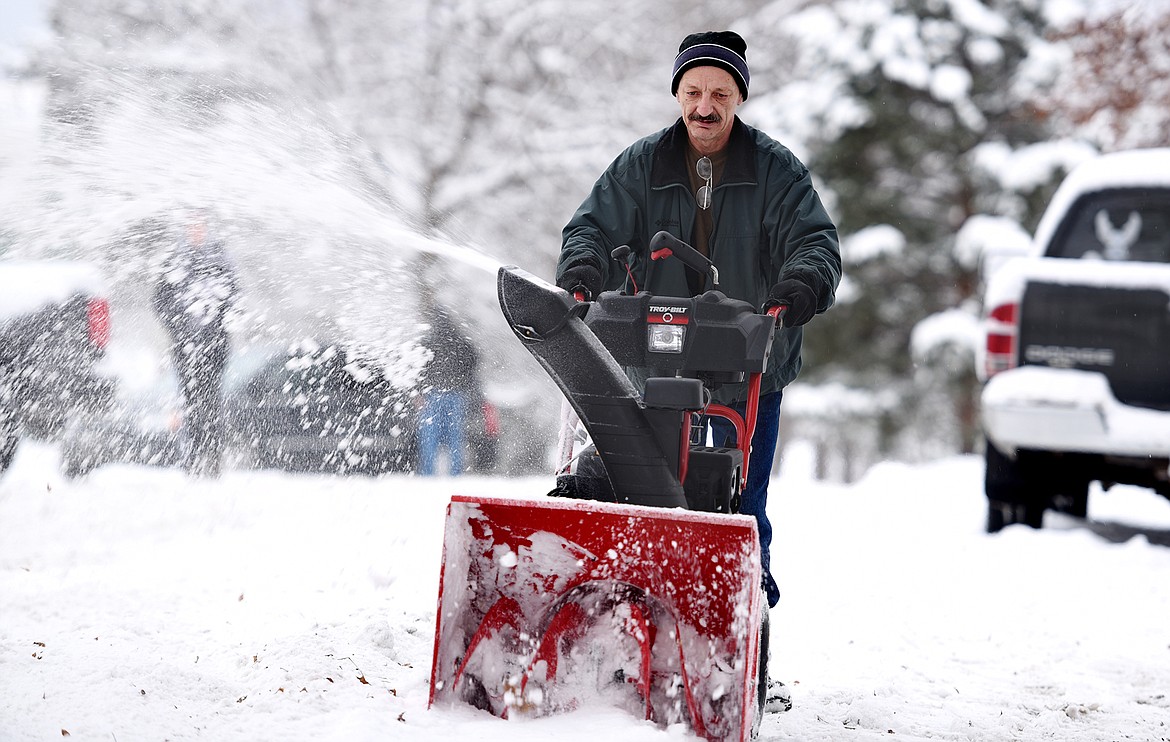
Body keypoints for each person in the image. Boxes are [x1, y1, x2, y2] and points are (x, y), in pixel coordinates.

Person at [556, 31, 841, 614]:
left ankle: (744, 613)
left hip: (747, 363)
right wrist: (583, 270)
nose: (704, 107)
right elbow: (592, 229)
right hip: (654, 363)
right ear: (677, 94)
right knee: (644, 491)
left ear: (739, 98)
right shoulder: (641, 165)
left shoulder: (775, 170)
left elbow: (814, 241)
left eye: (719, 93)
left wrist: (801, 283)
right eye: (693, 92)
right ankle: (633, 602)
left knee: (741, 503)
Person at [153, 210, 239, 477]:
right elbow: (159, 301)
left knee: (211, 400)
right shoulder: (175, 261)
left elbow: (233, 298)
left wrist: (219, 326)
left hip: (215, 346)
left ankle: (212, 458)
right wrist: (179, 328)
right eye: (191, 226)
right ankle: (194, 457)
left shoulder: (220, 259)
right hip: (185, 347)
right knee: (190, 400)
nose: (196, 231)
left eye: (200, 226)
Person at [416, 304, 480, 476]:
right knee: (455, 436)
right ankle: (455, 473)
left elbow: (417, 367)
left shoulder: (428, 341)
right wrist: (464, 380)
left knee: (429, 437)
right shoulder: (459, 340)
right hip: (455, 394)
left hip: (432, 394)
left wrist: (419, 391)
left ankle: (428, 473)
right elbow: (474, 359)